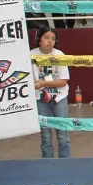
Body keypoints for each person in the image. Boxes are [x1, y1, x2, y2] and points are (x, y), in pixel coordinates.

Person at [31, 27, 71, 159]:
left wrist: (43, 84)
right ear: (39, 39)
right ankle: (47, 165)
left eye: (53, 39)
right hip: (40, 100)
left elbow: (63, 82)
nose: (50, 41)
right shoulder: (30, 55)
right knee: (46, 136)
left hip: (59, 98)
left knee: (63, 135)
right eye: (46, 37)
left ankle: (65, 165)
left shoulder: (59, 55)